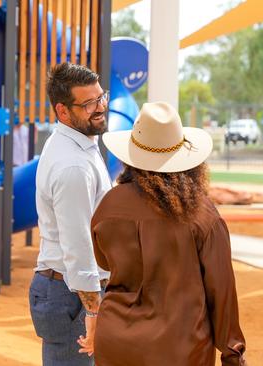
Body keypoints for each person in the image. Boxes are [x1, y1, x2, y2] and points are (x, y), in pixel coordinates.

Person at [81, 102, 247, 365]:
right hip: (180, 347)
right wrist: (232, 353)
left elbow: (103, 260)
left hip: (116, 343)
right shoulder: (201, 214)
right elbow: (221, 289)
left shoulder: (109, 205)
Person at [29, 62, 111, 365]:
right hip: (72, 295)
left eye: (101, 97)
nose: (99, 107)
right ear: (63, 111)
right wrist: (93, 309)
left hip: (66, 289)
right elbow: (77, 245)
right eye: (89, 103)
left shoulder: (78, 144)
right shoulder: (73, 165)